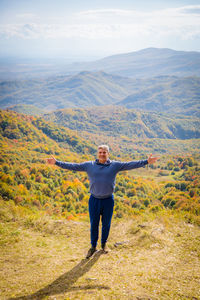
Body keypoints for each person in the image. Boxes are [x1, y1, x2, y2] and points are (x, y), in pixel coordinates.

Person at [47, 145, 158, 258]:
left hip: (108, 200)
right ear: (97, 153)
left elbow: (130, 164)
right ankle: (93, 247)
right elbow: (73, 166)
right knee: (94, 224)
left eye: (104, 152)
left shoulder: (114, 165)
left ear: (108, 153)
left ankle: (104, 245)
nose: (102, 154)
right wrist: (56, 162)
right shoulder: (89, 165)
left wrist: (146, 161)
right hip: (94, 199)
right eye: (100, 152)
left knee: (106, 224)